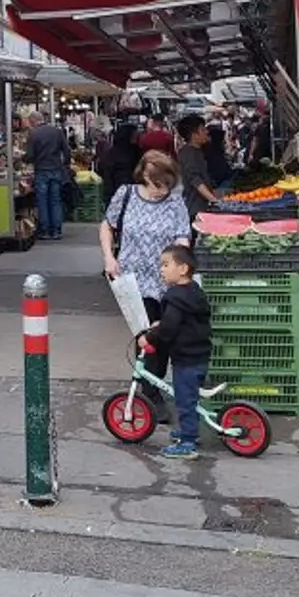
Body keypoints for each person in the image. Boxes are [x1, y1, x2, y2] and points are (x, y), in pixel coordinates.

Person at [100, 151, 191, 410]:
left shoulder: (175, 203)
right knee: (146, 336)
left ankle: (151, 386)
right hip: (133, 280)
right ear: (145, 177)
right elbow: (107, 226)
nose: (163, 190)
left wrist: (181, 260)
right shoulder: (126, 195)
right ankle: (149, 394)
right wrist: (109, 258)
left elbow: (183, 236)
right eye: (158, 185)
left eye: (168, 185)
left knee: (163, 337)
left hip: (166, 282)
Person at [139, 244, 212, 460]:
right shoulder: (193, 292)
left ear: (183, 269)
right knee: (190, 396)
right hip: (199, 354)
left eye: (166, 264)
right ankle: (189, 431)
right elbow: (180, 320)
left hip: (185, 358)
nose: (161, 269)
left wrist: (150, 336)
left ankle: (188, 442)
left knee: (184, 399)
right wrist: (162, 323)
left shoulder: (174, 296)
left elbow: (169, 329)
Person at [23, 111, 71, 240]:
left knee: (42, 201)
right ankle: (56, 230)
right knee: (55, 200)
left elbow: (30, 155)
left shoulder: (33, 134)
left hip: (41, 170)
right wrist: (65, 165)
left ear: (33, 121)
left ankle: (44, 230)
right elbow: (67, 150)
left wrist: (24, 159)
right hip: (56, 169)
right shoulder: (57, 131)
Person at [175, 115, 220, 221]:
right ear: (194, 134)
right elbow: (195, 179)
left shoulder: (197, 151)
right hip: (194, 208)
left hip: (201, 205)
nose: (206, 132)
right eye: (203, 129)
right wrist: (213, 200)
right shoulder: (188, 153)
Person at [97, 123, 140, 209]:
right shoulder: (134, 151)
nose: (137, 137)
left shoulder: (112, 153)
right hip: (120, 188)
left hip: (127, 189)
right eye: (135, 135)